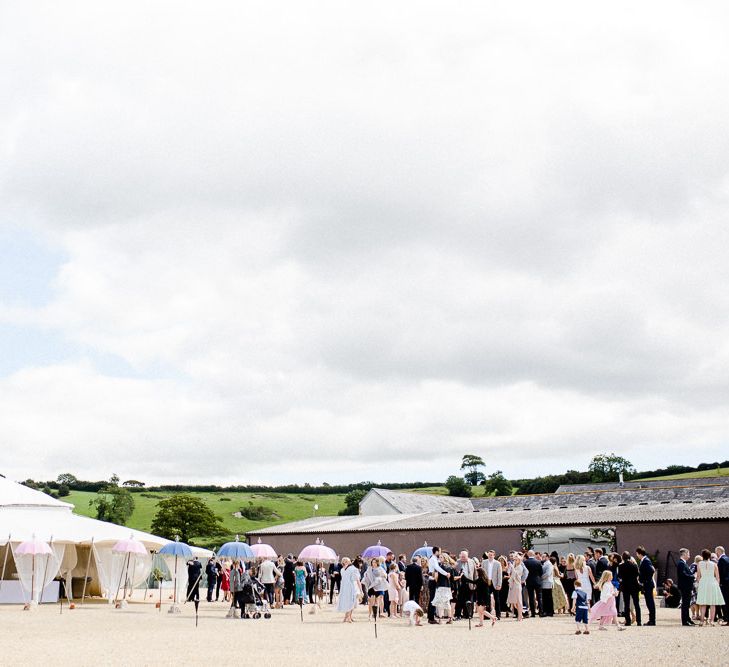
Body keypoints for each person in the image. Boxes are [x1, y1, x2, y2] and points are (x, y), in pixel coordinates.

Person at [695, 548, 726, 626]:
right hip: (712, 583)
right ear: (709, 556)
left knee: (703, 603)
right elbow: (718, 577)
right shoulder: (714, 564)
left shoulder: (699, 564)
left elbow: (698, 576)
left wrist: (699, 583)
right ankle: (712, 621)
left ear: (702, 556)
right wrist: (717, 585)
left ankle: (702, 621)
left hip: (703, 583)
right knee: (713, 603)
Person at [427, 547, 450, 624]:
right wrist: (446, 573)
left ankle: (431, 616)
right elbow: (437, 568)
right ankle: (431, 618)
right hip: (433, 581)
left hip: (433, 580)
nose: (440, 553)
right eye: (439, 552)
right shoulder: (433, 559)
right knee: (433, 600)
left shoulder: (434, 559)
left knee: (433, 599)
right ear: (436, 551)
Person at [617, 551, 641, 626]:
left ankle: (628, 621)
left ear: (623, 558)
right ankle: (639, 621)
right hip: (634, 586)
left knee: (626, 604)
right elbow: (637, 574)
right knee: (636, 604)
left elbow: (619, 576)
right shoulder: (634, 565)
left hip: (625, 586)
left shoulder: (621, 566)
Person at [337, 557, 363, 623]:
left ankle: (348, 617)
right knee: (351, 602)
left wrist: (360, 589)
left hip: (347, 587)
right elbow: (357, 580)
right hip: (350, 587)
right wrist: (361, 589)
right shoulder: (350, 569)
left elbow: (356, 580)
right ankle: (348, 617)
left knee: (350, 602)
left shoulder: (344, 570)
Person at [636, 546, 656, 625]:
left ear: (639, 553)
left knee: (650, 602)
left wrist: (645, 580)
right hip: (647, 584)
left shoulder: (646, 561)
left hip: (647, 584)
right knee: (649, 602)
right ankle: (651, 619)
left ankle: (652, 620)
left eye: (637, 553)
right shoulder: (644, 560)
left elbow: (651, 570)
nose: (637, 555)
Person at [455, 550, 477, 620]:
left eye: (464, 557)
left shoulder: (472, 562)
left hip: (470, 584)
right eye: (461, 557)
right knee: (460, 600)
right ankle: (458, 615)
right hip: (460, 584)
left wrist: (475, 583)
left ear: (467, 556)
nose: (463, 558)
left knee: (469, 600)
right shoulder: (457, 562)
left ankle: (468, 614)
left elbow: (475, 573)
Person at [676, 548, 695, 626]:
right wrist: (692, 576)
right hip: (684, 587)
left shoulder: (683, 563)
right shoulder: (681, 563)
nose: (689, 556)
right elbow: (683, 574)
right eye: (688, 554)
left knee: (687, 604)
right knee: (685, 604)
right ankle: (685, 621)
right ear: (684, 554)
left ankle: (687, 619)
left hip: (686, 586)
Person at [482, 550, 502, 619]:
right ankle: (487, 615)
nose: (490, 556)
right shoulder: (484, 562)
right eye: (489, 555)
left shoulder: (497, 563)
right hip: (487, 583)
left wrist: (499, 584)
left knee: (497, 599)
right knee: (487, 599)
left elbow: (499, 574)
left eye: (491, 555)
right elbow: (482, 573)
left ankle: (498, 615)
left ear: (494, 555)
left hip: (495, 583)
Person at [523, 550, 543, 618]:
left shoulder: (525, 562)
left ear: (528, 554)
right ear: (534, 554)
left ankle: (533, 613)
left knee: (531, 597)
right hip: (537, 581)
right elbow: (541, 572)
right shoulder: (538, 562)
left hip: (529, 581)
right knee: (539, 597)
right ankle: (541, 612)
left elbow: (524, 572)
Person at [506, 554, 524, 621]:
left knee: (518, 601)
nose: (515, 561)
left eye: (516, 560)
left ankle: (520, 616)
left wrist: (512, 568)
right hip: (513, 585)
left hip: (517, 585)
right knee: (514, 602)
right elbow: (510, 574)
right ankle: (520, 615)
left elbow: (515, 576)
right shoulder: (514, 566)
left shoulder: (520, 567)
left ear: (519, 560)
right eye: (514, 560)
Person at [716, 546, 729, 626]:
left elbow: (721, 573)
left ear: (718, 552)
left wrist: (720, 583)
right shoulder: (727, 558)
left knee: (726, 602)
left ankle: (728, 619)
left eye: (716, 552)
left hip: (725, 584)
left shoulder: (721, 560)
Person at [541, 552, 554, 617]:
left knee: (548, 597)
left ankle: (549, 611)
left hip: (547, 582)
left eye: (544, 556)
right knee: (545, 597)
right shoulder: (544, 563)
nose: (542, 558)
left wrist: (540, 578)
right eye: (542, 556)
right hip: (545, 582)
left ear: (547, 557)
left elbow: (548, 574)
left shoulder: (549, 564)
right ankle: (546, 611)